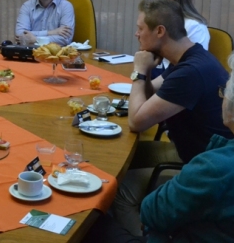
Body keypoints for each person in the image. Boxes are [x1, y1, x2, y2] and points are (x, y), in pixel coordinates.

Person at [111, 0, 232, 235]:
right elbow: (149, 95)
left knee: (120, 189)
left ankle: (145, 238)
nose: (136, 34)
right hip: (196, 151)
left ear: (159, 31)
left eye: (140, 29)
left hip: (203, 167)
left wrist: (140, 70)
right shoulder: (190, 57)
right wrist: (145, 74)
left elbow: (137, 121)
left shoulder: (190, 72)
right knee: (119, 160)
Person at [83, 54, 234, 242]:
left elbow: (151, 211)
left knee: (93, 219)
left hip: (177, 221)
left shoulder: (216, 166)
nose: (221, 100)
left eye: (222, 93)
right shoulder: (197, 59)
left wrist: (139, 71)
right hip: (192, 164)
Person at [152, 0, 209, 77]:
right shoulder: (164, 20)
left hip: (181, 75)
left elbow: (194, 64)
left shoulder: (195, 26)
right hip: (163, 70)